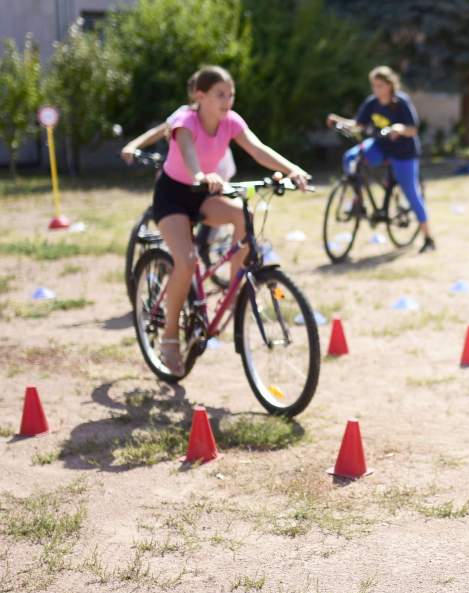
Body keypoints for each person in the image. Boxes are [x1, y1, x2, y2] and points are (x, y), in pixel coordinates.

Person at [153, 65, 309, 375]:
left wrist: (292, 169)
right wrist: (200, 175)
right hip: (173, 195)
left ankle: (234, 293)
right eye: (220, 94)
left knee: (243, 216)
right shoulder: (186, 121)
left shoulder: (231, 122)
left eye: (231, 94)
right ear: (201, 95)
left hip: (204, 193)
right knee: (185, 260)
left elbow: (257, 149)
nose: (228, 100)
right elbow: (187, 153)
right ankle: (169, 336)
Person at [326, 66, 434, 253]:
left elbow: (413, 129)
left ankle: (428, 238)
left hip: (403, 152)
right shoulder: (372, 103)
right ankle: (358, 203)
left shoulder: (401, 102)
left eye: (380, 85)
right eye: (374, 86)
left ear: (390, 85)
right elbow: (358, 125)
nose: (376, 90)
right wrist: (340, 121)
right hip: (380, 146)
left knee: (411, 193)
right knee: (351, 157)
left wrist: (399, 129)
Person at [120, 70, 236, 181]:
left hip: (218, 168)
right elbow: (158, 131)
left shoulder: (222, 114)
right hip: (189, 172)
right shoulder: (184, 116)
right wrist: (133, 145)